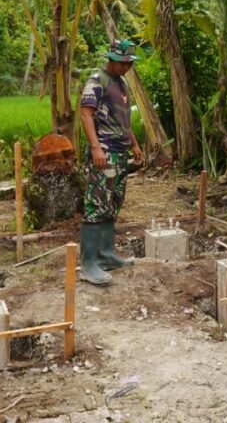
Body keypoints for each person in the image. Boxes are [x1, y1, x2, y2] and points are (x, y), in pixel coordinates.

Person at [78, 39, 145, 285]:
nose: (127, 67)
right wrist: (96, 147)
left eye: (129, 63)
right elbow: (86, 113)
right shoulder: (98, 80)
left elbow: (124, 119)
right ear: (113, 59)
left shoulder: (122, 83)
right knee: (96, 205)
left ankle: (106, 255)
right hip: (104, 152)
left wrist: (134, 145)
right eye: (124, 63)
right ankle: (88, 264)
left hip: (120, 154)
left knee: (112, 204)